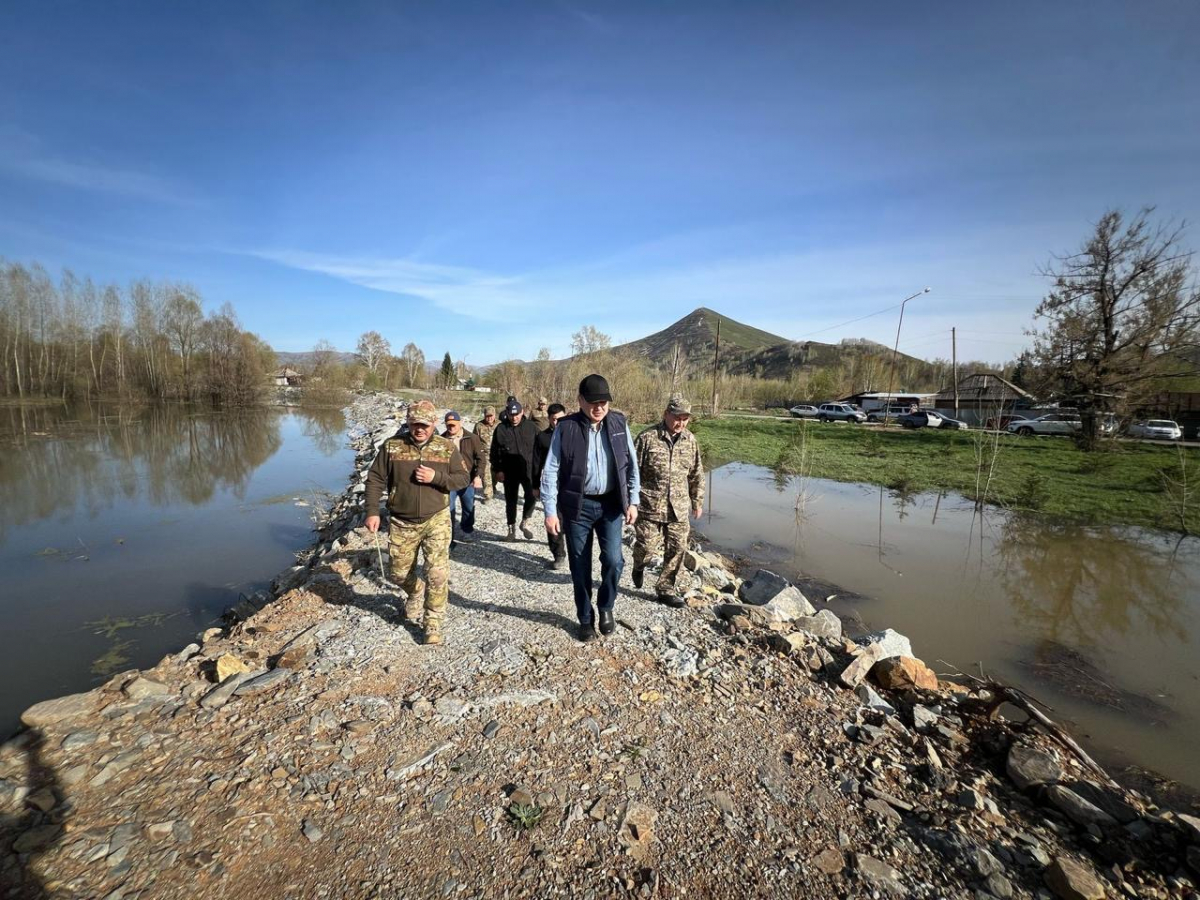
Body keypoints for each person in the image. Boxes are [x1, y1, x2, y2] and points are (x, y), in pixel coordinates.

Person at [541, 374, 640, 642]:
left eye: (604, 402)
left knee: (614, 560)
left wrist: (633, 500)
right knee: (580, 565)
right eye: (593, 402)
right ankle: (585, 618)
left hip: (611, 505)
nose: (599, 407)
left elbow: (631, 465)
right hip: (578, 506)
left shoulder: (619, 423)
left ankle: (606, 607)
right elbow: (550, 470)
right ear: (580, 401)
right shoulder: (566, 427)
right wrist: (550, 511)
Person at [363, 399, 469, 645]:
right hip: (402, 521)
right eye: (414, 424)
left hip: (436, 519)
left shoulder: (445, 447)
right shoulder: (392, 447)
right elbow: (375, 479)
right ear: (408, 423)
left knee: (437, 574)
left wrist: (437, 477)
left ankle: (432, 624)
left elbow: (462, 478)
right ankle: (415, 591)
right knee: (398, 574)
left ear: (433, 424)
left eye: (424, 425)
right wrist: (372, 511)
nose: (419, 429)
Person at [632, 393, 705, 607]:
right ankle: (638, 566)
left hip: (678, 509)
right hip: (649, 507)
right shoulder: (647, 438)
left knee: (676, 550)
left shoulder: (690, 441)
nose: (681, 423)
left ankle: (665, 590)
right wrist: (630, 502)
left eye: (685, 419)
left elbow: (696, 473)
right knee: (646, 549)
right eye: (677, 418)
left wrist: (697, 501)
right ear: (666, 414)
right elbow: (631, 473)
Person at [490, 399, 539, 541]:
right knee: (511, 501)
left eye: (517, 414)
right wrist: (498, 470)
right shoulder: (501, 429)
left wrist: (541, 467)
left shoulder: (531, 427)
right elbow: (494, 452)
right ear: (507, 413)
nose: (514, 418)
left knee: (532, 496)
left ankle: (525, 521)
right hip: (509, 471)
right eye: (511, 415)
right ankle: (511, 529)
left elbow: (540, 447)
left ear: (522, 412)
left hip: (528, 470)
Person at [441, 410, 485, 547]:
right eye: (448, 424)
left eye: (453, 424)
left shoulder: (472, 438)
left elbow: (481, 459)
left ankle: (467, 530)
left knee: (468, 506)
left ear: (460, 423)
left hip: (468, 480)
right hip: (449, 481)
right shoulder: (441, 440)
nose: (451, 427)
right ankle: (450, 536)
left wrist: (478, 476)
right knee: (449, 508)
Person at [532, 402, 567, 569]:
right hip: (550, 485)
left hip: (571, 485)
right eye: (554, 419)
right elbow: (536, 463)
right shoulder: (542, 437)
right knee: (553, 517)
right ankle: (558, 554)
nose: (557, 422)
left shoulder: (574, 435)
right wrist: (535, 485)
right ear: (549, 419)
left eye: (560, 419)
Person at [474, 406, 499, 501]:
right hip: (484, 454)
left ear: (494, 415)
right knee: (485, 474)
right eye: (487, 416)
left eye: (491, 416)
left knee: (495, 473)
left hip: (497, 454)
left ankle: (493, 486)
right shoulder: (479, 426)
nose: (489, 418)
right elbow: (474, 440)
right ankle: (488, 495)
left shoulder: (500, 424)